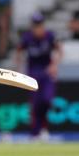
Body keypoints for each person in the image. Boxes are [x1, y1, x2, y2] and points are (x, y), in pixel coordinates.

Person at [15, 13, 63, 141]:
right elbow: (18, 51)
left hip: (47, 73)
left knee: (47, 100)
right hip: (32, 74)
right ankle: (35, 133)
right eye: (35, 25)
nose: (38, 28)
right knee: (35, 104)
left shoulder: (50, 36)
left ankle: (44, 129)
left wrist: (54, 65)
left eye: (40, 25)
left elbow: (59, 50)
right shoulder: (27, 37)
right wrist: (19, 68)